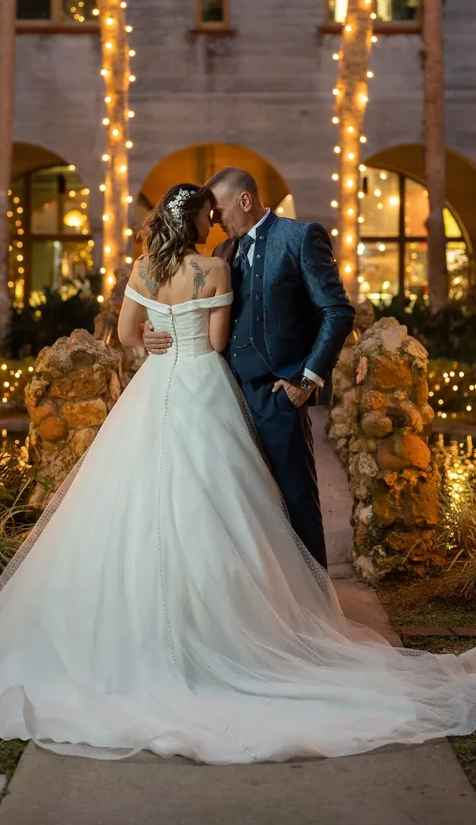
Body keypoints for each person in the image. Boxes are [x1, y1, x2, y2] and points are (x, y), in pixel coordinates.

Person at [0, 182, 476, 763]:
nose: (217, 219)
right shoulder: (214, 265)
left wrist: (151, 337)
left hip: (154, 387)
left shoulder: (145, 267)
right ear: (200, 219)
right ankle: (262, 622)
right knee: (223, 500)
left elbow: (126, 335)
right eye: (210, 212)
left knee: (134, 502)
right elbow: (221, 334)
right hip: (205, 384)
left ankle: (138, 628)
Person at [142, 167, 355, 568]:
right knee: (242, 506)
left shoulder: (300, 237)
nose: (216, 221)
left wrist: (306, 380)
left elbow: (337, 311)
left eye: (219, 211)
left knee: (295, 498)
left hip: (279, 394)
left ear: (244, 200)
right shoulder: (222, 254)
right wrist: (152, 327)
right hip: (223, 397)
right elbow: (189, 303)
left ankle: (317, 604)